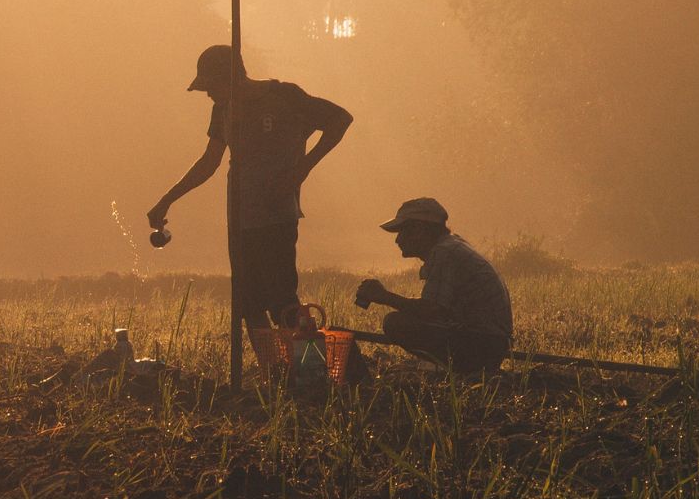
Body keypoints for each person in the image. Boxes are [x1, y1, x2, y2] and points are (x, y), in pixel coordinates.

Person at [148, 44, 352, 386]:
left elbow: (340, 119)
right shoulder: (223, 111)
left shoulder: (285, 97)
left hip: (276, 216)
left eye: (211, 85)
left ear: (230, 77)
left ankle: (310, 375)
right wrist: (167, 200)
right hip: (240, 217)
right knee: (249, 302)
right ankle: (275, 375)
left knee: (282, 300)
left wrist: (301, 169)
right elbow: (209, 163)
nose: (209, 94)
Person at [355, 198, 512, 375]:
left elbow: (431, 310)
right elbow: (436, 309)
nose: (397, 240)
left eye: (402, 231)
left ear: (420, 230)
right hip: (489, 340)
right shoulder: (451, 247)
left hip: (484, 343)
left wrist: (383, 296)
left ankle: (461, 370)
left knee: (396, 323)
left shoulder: (445, 252)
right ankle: (452, 368)